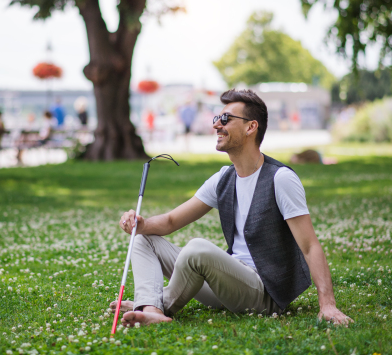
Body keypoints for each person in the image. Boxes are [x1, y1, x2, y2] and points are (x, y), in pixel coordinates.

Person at [113, 89, 352, 328]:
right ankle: (151, 307)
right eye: (217, 118)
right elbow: (171, 222)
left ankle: (152, 304)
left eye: (225, 119)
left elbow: (310, 246)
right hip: (226, 283)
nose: (217, 125)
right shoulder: (224, 178)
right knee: (142, 239)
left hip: (264, 294)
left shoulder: (280, 179)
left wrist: (327, 304)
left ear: (251, 127)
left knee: (197, 249)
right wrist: (141, 224)